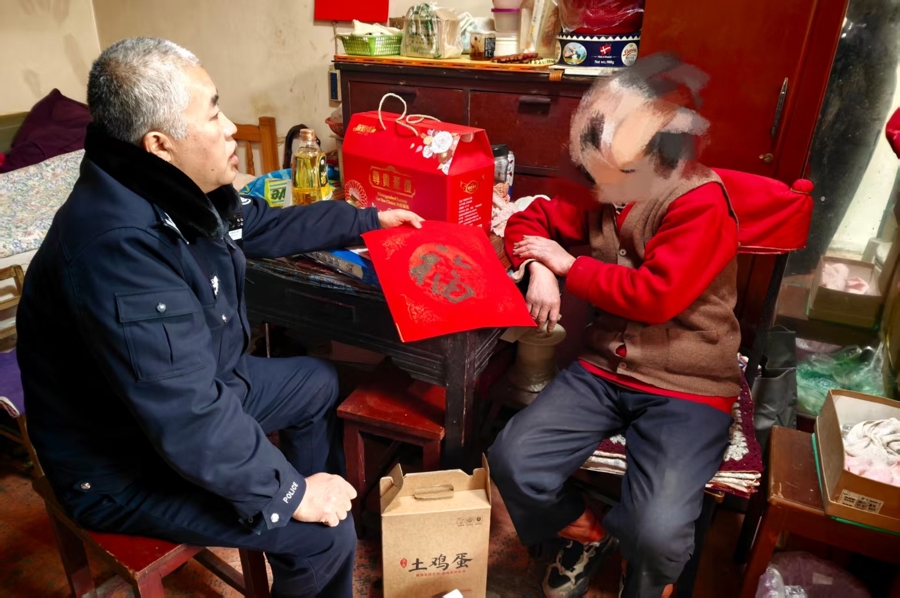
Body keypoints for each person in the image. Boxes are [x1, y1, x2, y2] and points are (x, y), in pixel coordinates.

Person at [15, 37, 423, 598]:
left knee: (316, 382)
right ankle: (306, 527)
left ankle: (306, 513)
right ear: (160, 143)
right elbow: (186, 415)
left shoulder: (168, 185)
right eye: (212, 114)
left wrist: (367, 220)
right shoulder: (119, 249)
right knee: (324, 540)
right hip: (120, 462)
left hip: (190, 393)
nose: (230, 128)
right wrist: (291, 496)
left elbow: (261, 224)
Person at [488, 55, 740, 598]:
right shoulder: (606, 188)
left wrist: (567, 265)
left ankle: (642, 579)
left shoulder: (699, 198)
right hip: (605, 367)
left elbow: (656, 297)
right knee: (513, 461)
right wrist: (539, 269)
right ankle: (590, 534)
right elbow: (532, 219)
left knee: (657, 532)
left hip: (688, 382)